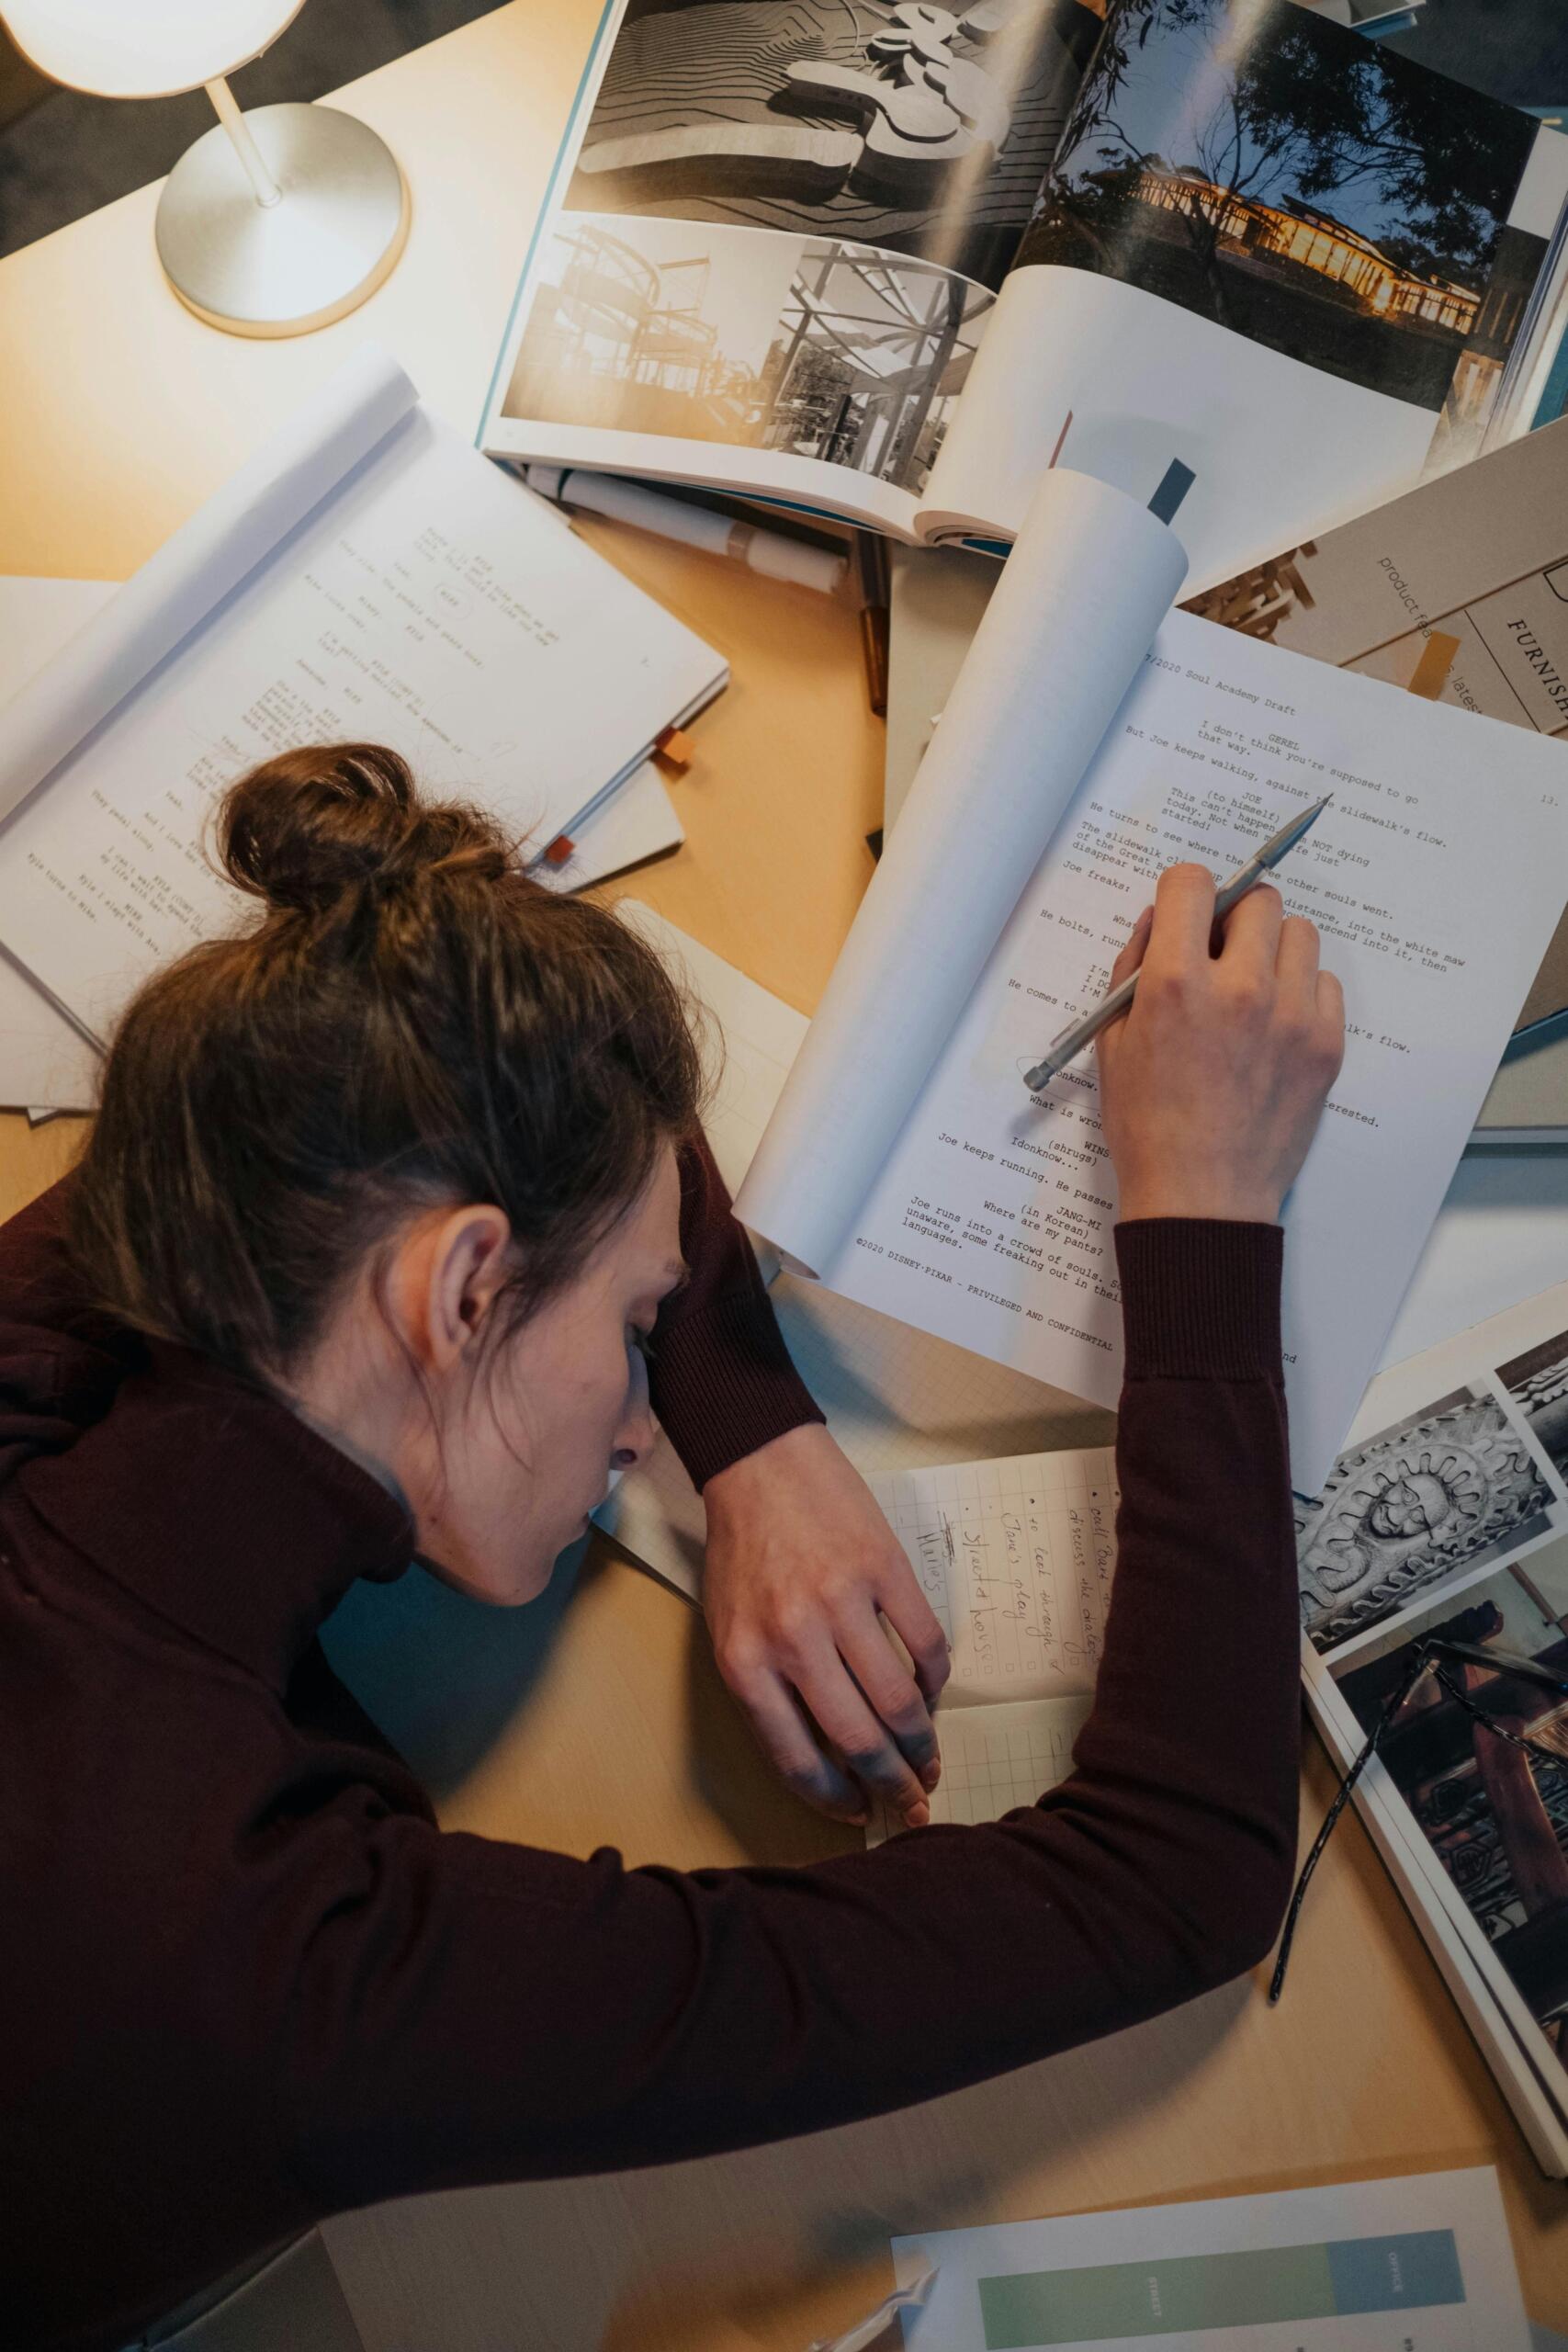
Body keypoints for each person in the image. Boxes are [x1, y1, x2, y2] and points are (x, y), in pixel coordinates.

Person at [0, 744, 1343, 2350]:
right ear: (462, 1290)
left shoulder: (120, 1271)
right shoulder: (288, 1977)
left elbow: (450, 1032)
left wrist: (759, 1434)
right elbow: (1175, 1871)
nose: (647, 1427)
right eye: (643, 1327)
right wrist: (1206, 1207)